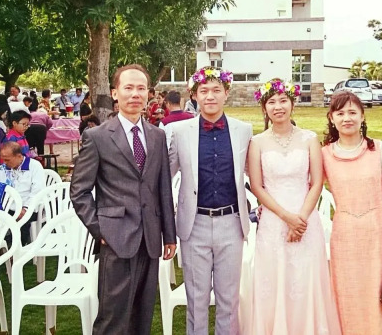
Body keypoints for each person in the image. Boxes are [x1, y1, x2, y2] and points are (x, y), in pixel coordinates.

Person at [70, 64, 176, 335]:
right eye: (128, 88)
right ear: (115, 93)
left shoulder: (157, 135)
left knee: (142, 316)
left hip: (150, 239)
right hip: (115, 238)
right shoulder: (97, 137)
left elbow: (163, 187)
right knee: (113, 318)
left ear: (149, 93)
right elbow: (79, 191)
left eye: (141, 88)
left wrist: (169, 235)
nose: (135, 94)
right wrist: (101, 230)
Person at [242, 79, 341, 335]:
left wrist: (301, 220)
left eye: (283, 101)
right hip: (273, 220)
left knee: (305, 277)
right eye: (272, 102)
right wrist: (286, 217)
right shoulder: (257, 142)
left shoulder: (309, 138)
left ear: (292, 104)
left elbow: (317, 182)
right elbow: (257, 186)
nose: (278, 107)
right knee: (274, 278)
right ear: (264, 108)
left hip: (306, 219)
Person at [168, 66, 252, 335]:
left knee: (229, 300)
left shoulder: (244, 130)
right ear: (194, 95)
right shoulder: (179, 131)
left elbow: (255, 174)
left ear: (226, 93)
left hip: (231, 223)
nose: (210, 96)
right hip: (195, 225)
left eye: (216, 90)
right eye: (204, 91)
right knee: (196, 301)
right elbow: (165, 176)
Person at [321, 90, 382, 334]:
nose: (347, 118)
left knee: (377, 295)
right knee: (348, 293)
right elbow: (307, 188)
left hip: (378, 235)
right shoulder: (325, 154)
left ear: (362, 116)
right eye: (340, 113)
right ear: (331, 118)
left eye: (352, 112)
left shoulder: (380, 149)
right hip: (344, 237)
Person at [0, 142, 46, 244]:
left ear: (19, 156)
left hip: (29, 208)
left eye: (7, 160)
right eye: (3, 159)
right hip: (7, 208)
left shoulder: (34, 166)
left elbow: (37, 192)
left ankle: (16, 249)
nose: (5, 162)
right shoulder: (4, 168)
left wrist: (25, 209)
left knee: (19, 225)